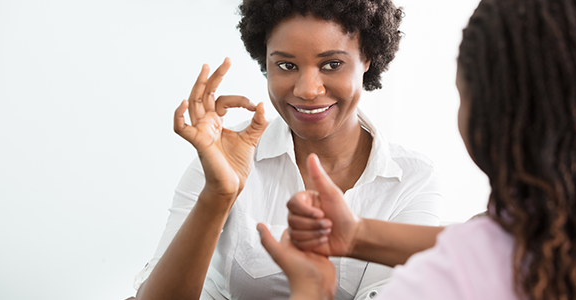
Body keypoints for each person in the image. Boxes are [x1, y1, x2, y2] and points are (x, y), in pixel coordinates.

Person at [259, 0, 576, 299]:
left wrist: (311, 291)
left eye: (461, 95)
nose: (308, 89)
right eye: (287, 64)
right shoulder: (557, 239)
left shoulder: (450, 279)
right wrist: (358, 236)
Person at [133, 0, 443, 299]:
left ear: (366, 58)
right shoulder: (224, 154)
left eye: (332, 64)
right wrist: (219, 193)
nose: (307, 89)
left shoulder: (412, 179)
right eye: (286, 65)